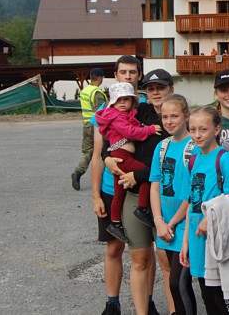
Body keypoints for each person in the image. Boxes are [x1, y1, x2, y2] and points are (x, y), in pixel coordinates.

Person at [89, 56, 165, 315]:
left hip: (135, 182)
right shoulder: (107, 110)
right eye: (123, 72)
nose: (128, 76)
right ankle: (112, 302)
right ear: (116, 74)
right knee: (113, 247)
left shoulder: (142, 107)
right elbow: (97, 154)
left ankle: (148, 301)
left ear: (139, 75)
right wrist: (95, 195)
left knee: (144, 250)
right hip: (111, 189)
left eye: (133, 72)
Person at [180, 106, 229, 315]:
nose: (197, 135)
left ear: (217, 129)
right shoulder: (193, 159)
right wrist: (185, 242)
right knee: (209, 301)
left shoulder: (224, 159)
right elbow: (191, 203)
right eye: (193, 129)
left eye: (203, 129)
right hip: (197, 242)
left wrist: (212, 218)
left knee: (224, 303)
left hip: (218, 243)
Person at [95, 82, 162, 243]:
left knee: (119, 193)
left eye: (126, 99)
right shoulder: (117, 116)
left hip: (120, 157)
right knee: (145, 174)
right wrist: (150, 129)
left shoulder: (126, 115)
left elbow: (133, 125)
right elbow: (130, 132)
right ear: (112, 102)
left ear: (133, 101)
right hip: (122, 157)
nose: (122, 103)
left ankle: (115, 223)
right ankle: (142, 208)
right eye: (118, 100)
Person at [150, 94, 196, 315]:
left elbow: (193, 193)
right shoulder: (161, 147)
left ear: (186, 116)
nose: (169, 121)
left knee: (178, 283)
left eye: (174, 116)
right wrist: (159, 221)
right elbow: (154, 186)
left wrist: (172, 223)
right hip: (164, 225)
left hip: (184, 225)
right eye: (165, 117)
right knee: (176, 284)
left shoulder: (194, 147)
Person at [73, 67, 107, 190]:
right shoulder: (97, 93)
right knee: (102, 152)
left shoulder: (85, 91)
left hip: (86, 124)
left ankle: (78, 172)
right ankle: (103, 179)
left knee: (87, 152)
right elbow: (101, 112)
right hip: (96, 126)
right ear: (100, 78)